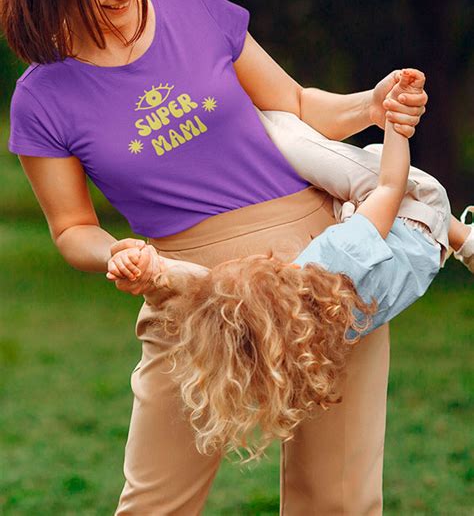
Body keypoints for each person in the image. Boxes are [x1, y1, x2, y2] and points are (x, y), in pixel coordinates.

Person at [2, 0, 430, 515]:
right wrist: (114, 251)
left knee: (337, 501)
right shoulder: (43, 97)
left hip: (327, 272)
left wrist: (370, 104)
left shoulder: (197, 9)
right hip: (190, 293)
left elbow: (293, 102)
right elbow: (69, 229)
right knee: (154, 504)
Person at [110, 70, 473, 463]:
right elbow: (389, 186)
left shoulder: (285, 336)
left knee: (330, 182)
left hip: (409, 264)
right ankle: (462, 236)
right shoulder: (332, 266)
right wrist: (397, 125)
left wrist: (153, 270)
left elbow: (207, 289)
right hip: (419, 215)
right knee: (285, 130)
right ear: (279, 281)